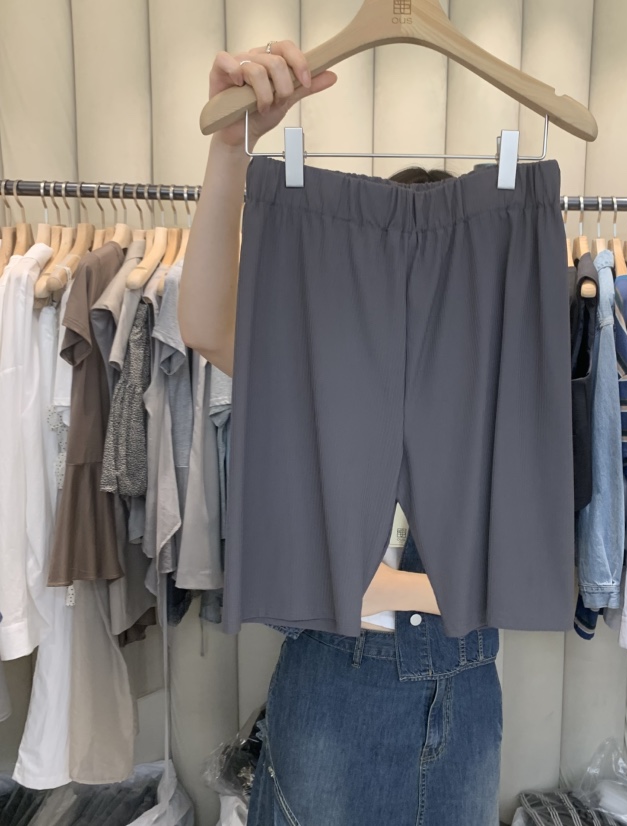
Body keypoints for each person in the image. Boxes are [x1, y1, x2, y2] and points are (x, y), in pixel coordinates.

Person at [179, 42, 502, 826]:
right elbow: (206, 323)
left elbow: (530, 568)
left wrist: (368, 585)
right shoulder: (325, 368)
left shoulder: (499, 379)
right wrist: (231, 147)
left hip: (463, 700)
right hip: (336, 692)